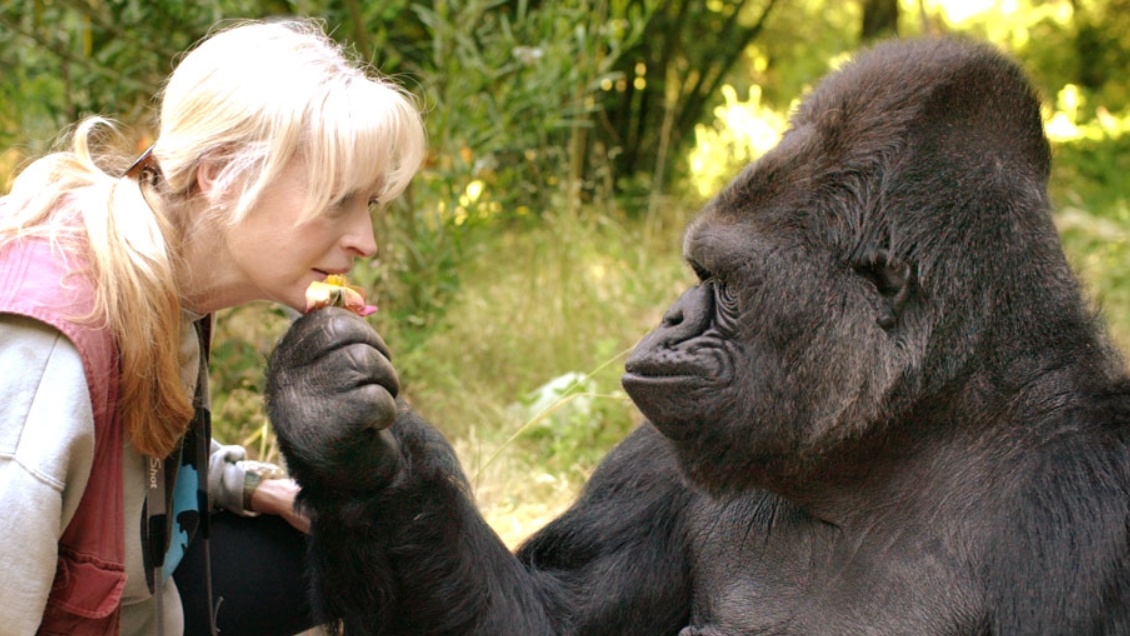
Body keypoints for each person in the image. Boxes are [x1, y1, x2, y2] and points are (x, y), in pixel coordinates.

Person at [0, 17, 426, 636]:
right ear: (222, 173)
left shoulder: (162, 276)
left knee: (358, 561)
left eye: (371, 204)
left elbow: (131, 468)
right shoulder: (48, 349)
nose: (366, 241)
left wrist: (245, 484)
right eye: (339, 199)